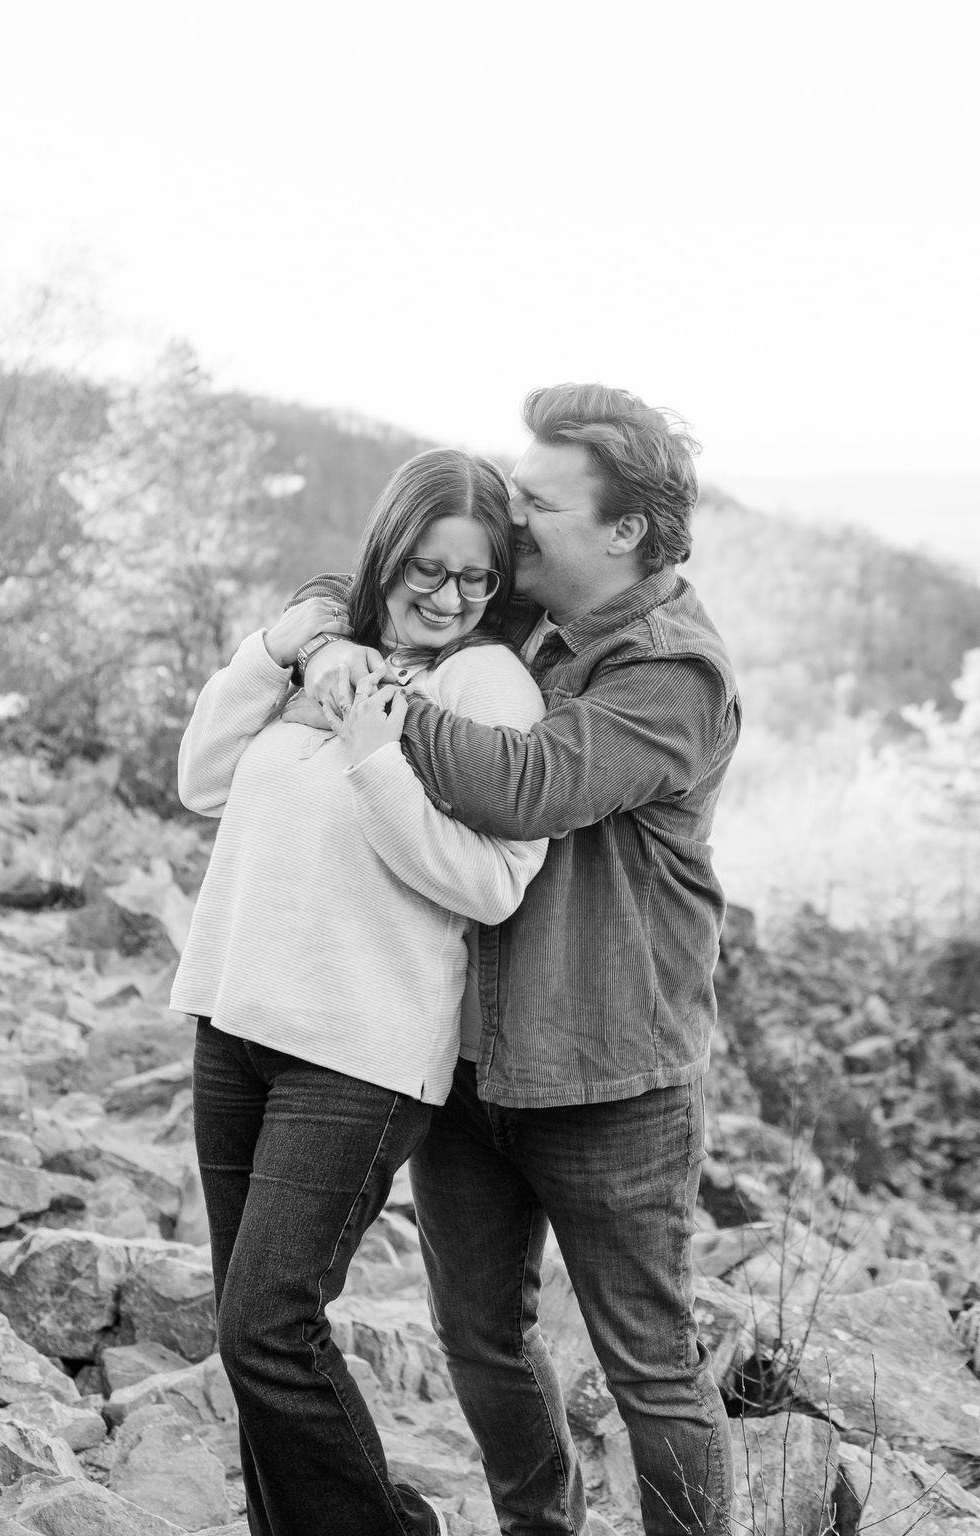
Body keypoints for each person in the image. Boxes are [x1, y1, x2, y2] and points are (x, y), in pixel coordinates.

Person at [296, 384, 741, 1536]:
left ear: (625, 529)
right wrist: (318, 632)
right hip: (470, 1059)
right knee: (480, 1340)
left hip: (610, 1080)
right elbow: (380, 594)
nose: (512, 516)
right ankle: (541, 1527)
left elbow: (524, 781)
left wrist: (370, 694)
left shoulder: (674, 674)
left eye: (539, 502)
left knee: (650, 1369)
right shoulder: (527, 622)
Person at [172, 448, 548, 1536]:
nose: (449, 599)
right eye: (428, 570)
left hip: (360, 1056)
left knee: (268, 1328)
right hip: (235, 1025)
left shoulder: (485, 685)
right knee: (249, 1339)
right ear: (387, 549)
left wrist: (380, 758)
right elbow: (200, 779)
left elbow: (493, 884)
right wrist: (280, 643)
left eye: (476, 581)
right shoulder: (322, 653)